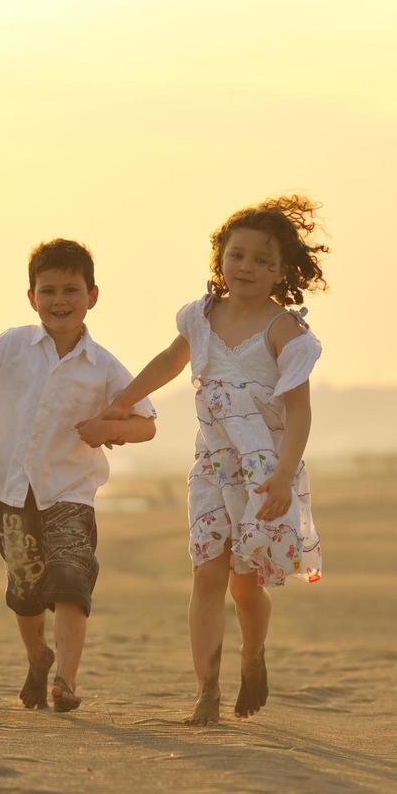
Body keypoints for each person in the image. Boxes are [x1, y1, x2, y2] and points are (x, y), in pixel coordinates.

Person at [90, 196, 327, 724]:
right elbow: (171, 361)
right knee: (206, 574)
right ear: (219, 259)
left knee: (246, 585)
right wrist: (123, 401)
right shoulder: (201, 317)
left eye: (262, 260)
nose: (247, 267)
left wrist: (285, 477)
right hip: (210, 469)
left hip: (265, 474)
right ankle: (206, 692)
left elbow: (300, 410)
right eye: (237, 255)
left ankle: (253, 655)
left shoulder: (287, 332)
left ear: (281, 271)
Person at [0, 238, 156, 713]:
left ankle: (67, 680)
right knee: (27, 588)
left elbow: (147, 425)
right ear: (31, 296)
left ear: (92, 296)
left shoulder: (104, 366)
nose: (60, 301)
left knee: (73, 579)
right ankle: (38, 657)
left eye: (72, 290)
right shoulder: (11, 345)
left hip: (71, 491)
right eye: (49, 290)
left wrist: (107, 428)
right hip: (10, 490)